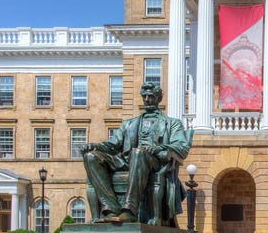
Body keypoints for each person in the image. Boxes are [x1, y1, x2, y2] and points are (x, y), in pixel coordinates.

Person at [81, 82, 191, 225]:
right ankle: (111, 208)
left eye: (151, 96)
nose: (147, 99)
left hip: (154, 162)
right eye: (144, 96)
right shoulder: (129, 123)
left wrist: (159, 148)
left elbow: (182, 146)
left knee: (138, 153)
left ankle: (130, 210)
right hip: (126, 161)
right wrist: (95, 146)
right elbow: (113, 144)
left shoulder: (172, 123)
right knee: (90, 157)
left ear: (159, 98)